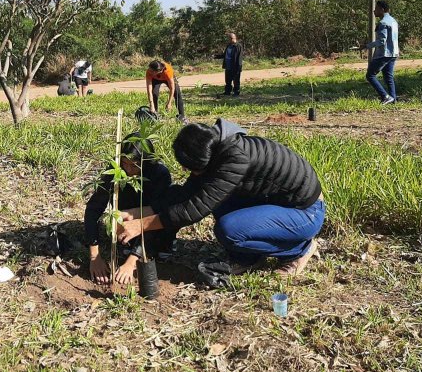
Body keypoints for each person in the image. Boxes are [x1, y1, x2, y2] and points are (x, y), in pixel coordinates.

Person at [116, 119, 324, 288]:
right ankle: (248, 258)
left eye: (191, 169)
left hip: (304, 212)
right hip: (275, 202)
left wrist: (141, 226)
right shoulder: (215, 146)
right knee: (220, 204)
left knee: (229, 230)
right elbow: (187, 192)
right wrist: (139, 212)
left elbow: (194, 209)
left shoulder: (235, 160)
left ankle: (299, 250)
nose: (189, 173)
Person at [84, 135, 174, 285]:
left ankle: (153, 249)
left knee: (163, 231)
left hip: (154, 225)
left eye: (135, 165)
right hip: (125, 225)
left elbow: (158, 216)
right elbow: (93, 209)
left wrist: (132, 261)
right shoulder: (115, 172)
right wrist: (95, 256)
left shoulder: (159, 174)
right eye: (125, 164)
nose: (129, 170)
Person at [366, 0, 399, 105]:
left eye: (376, 8)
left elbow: (381, 41)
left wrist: (366, 46)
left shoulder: (383, 23)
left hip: (384, 54)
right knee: (388, 77)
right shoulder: (393, 21)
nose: (374, 11)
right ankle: (393, 99)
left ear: (382, 9)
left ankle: (385, 96)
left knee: (370, 75)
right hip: (394, 53)